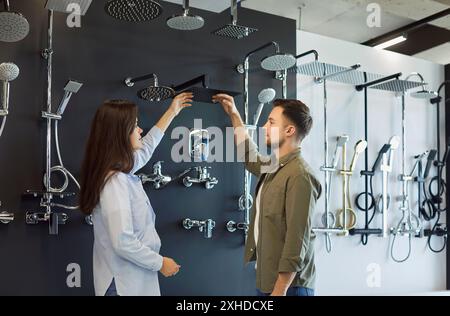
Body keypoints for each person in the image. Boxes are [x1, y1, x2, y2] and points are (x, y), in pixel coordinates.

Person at [79, 93, 193, 296]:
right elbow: (123, 241)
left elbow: (146, 148)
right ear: (120, 133)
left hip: (130, 281)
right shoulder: (114, 182)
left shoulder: (119, 171)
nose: (140, 130)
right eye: (135, 126)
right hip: (123, 285)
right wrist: (160, 263)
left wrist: (171, 112)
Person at [213, 94, 322, 297]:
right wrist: (234, 115)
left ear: (289, 130)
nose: (264, 127)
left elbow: (297, 241)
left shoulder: (300, 176)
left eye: (271, 122)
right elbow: (249, 156)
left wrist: (279, 291)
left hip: (290, 288)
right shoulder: (273, 166)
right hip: (268, 282)